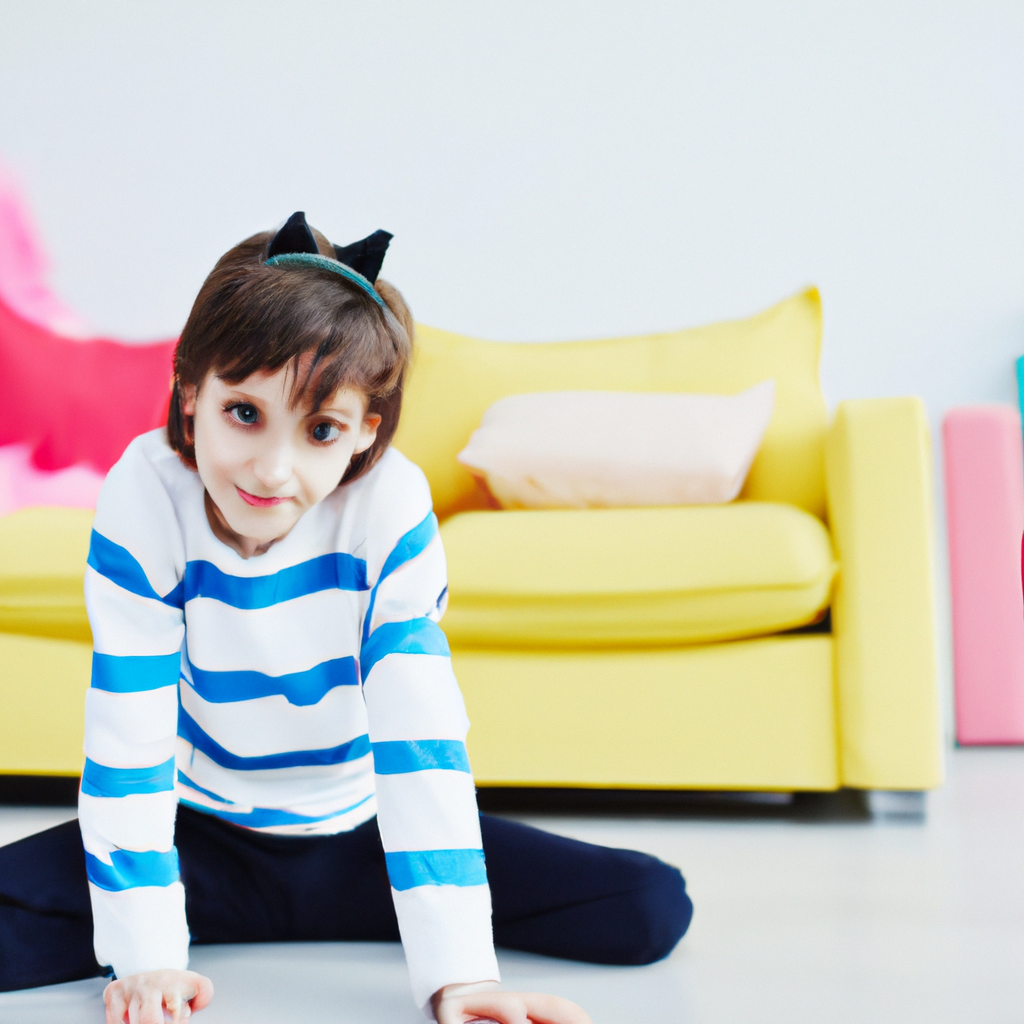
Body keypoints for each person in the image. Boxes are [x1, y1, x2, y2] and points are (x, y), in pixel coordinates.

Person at [0, 213, 693, 1023]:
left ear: (364, 433)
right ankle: (207, 920)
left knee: (648, 905)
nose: (272, 470)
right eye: (244, 413)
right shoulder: (146, 491)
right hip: (204, 839)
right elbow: (130, 733)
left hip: (366, 839)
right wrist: (146, 956)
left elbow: (418, 734)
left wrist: (461, 976)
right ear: (191, 392)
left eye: (320, 429)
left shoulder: (389, 504)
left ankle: (353, 914)